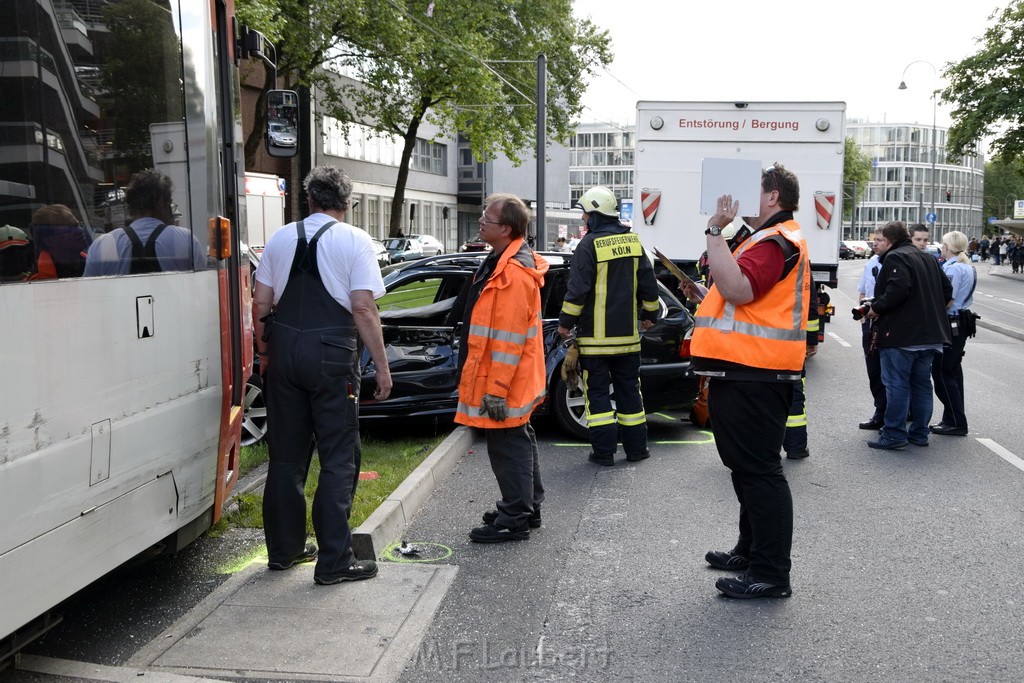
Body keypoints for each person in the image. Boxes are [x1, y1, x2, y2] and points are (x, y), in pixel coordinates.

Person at [253, 165, 392, 584]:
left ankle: (284, 550)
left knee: (286, 457)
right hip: (332, 356)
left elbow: (260, 305)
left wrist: (264, 354)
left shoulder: (280, 238)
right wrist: (382, 368)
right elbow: (364, 309)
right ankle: (333, 562)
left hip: (284, 353)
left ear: (309, 200)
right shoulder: (354, 240)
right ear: (346, 204)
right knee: (338, 457)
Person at [681, 163, 810, 600]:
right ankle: (751, 550)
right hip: (744, 370)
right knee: (746, 470)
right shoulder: (765, 238)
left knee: (759, 473)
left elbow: (738, 290)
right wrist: (708, 295)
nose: (736, 196)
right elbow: (739, 297)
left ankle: (772, 574)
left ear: (772, 196)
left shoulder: (776, 240)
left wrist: (714, 232)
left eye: (751, 188)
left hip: (755, 373)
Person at [456, 193, 548, 543]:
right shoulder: (501, 262)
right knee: (516, 438)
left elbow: (508, 341)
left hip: (505, 378)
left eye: (487, 218)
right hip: (509, 375)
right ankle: (526, 506)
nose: (481, 220)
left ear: (506, 229)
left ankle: (514, 518)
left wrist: (495, 389)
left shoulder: (512, 273)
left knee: (508, 443)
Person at [558, 186, 660, 466]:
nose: (583, 220)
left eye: (585, 214)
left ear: (595, 214)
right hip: (628, 341)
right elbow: (649, 286)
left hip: (596, 343)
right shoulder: (633, 243)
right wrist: (650, 315)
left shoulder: (588, 245)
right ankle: (637, 450)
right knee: (630, 394)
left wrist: (565, 324)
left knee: (599, 399)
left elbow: (577, 291)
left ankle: (604, 453)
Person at [863, 221, 952, 450]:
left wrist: (876, 308)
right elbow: (947, 290)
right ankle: (920, 434)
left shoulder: (896, 257)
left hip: (902, 335)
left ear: (890, 241)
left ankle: (893, 434)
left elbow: (899, 289)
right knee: (921, 385)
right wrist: (928, 311)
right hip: (931, 335)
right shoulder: (927, 257)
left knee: (897, 384)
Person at [84, 170, 205, 275]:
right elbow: (202, 288)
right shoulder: (186, 239)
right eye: (170, 202)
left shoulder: (101, 245)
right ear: (162, 204)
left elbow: (89, 294)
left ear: (131, 206)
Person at [931, 231, 976, 436]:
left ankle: (956, 421)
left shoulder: (954, 269)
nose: (941, 247)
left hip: (951, 322)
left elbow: (947, 298)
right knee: (953, 372)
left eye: (943, 244)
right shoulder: (968, 267)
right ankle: (952, 418)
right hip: (961, 321)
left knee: (941, 371)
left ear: (948, 247)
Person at [856, 237, 886, 430]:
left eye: (880, 240)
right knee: (874, 369)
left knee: (891, 373)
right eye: (874, 240)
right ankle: (880, 411)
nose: (875, 244)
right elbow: (862, 291)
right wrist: (862, 316)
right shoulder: (871, 262)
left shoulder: (895, 262)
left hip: (888, 322)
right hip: (870, 322)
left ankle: (889, 413)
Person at [25, 204, 90, 280]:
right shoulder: (38, 282)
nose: (80, 230)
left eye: (78, 225)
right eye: (71, 227)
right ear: (49, 241)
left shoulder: (91, 261)